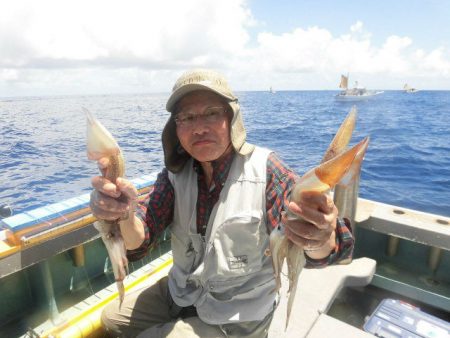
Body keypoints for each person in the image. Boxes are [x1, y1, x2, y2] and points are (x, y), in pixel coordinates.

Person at [89, 69, 354, 338]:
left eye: (212, 113)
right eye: (187, 118)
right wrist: (123, 213)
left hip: (237, 315)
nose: (199, 127)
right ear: (175, 128)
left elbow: (327, 248)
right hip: (183, 292)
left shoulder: (268, 170)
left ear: (232, 118)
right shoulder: (174, 175)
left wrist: (318, 235)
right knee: (111, 320)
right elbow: (140, 240)